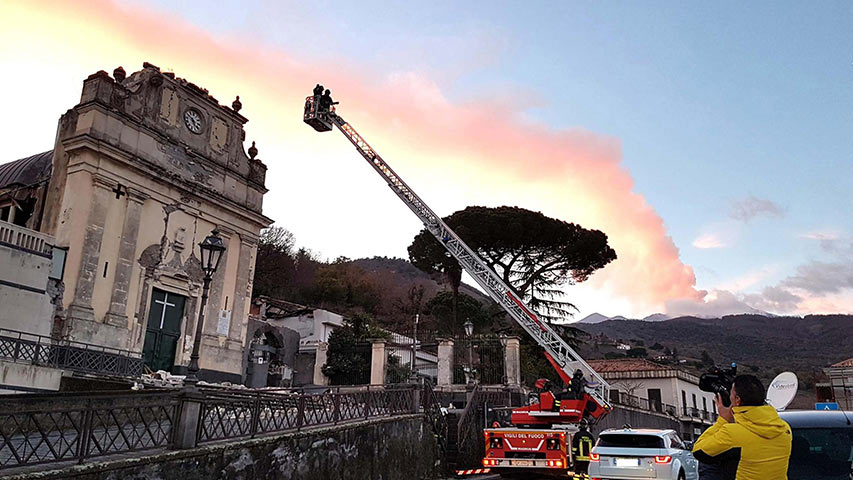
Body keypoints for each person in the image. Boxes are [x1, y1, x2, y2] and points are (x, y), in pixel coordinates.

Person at [693, 375, 792, 480]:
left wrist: (723, 420)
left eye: (731, 394)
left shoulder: (732, 433)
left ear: (737, 400)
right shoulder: (784, 428)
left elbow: (699, 451)